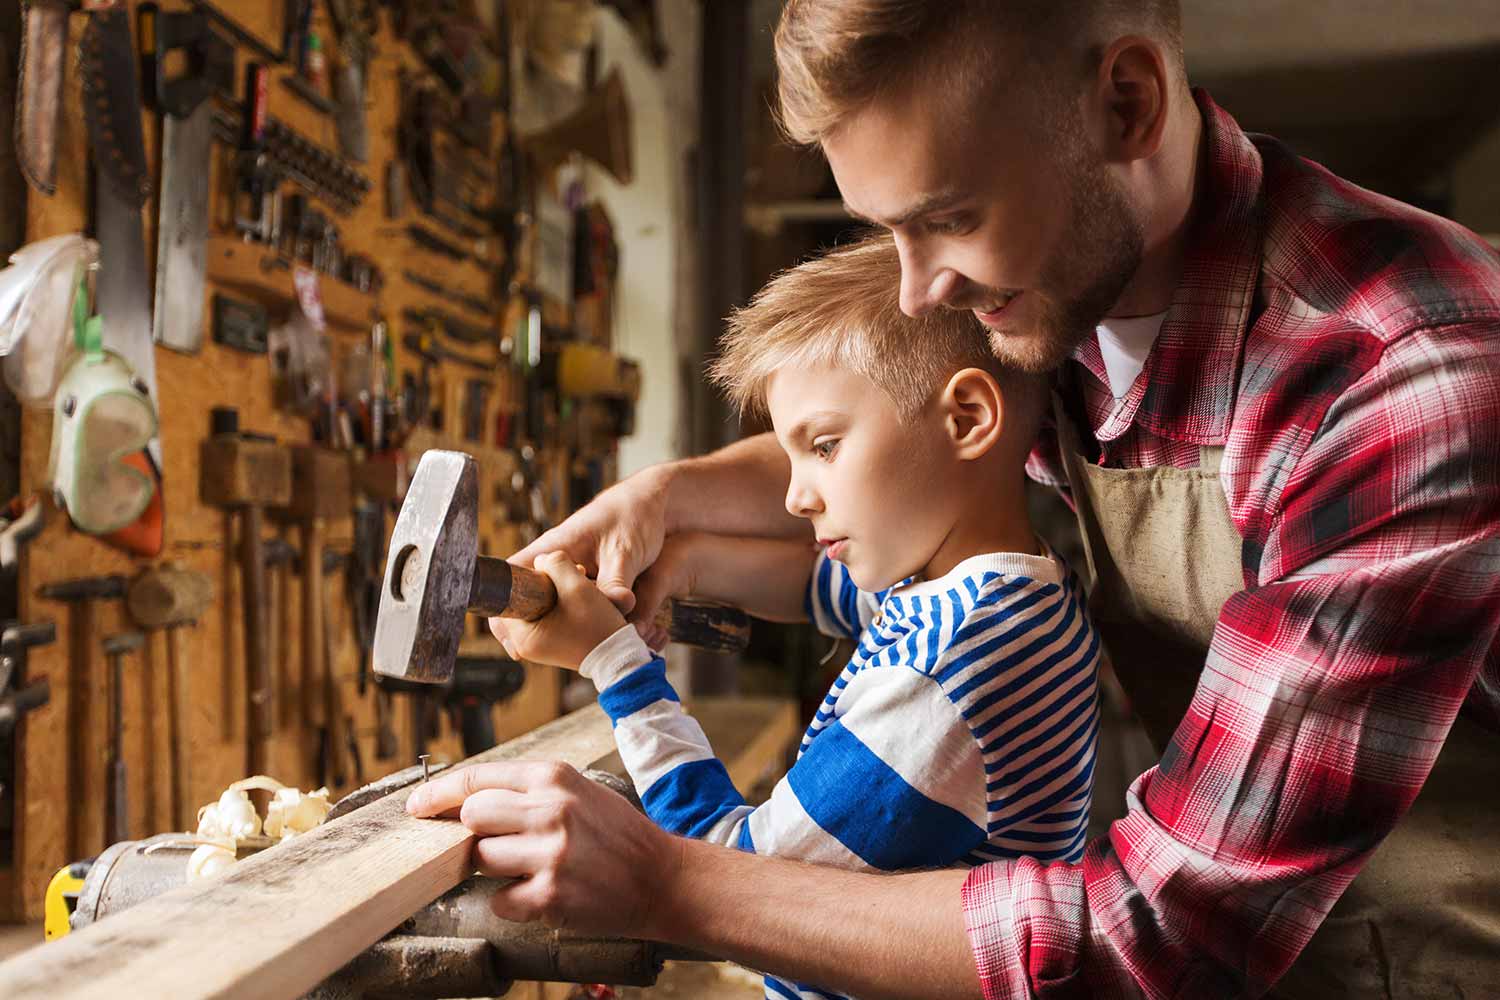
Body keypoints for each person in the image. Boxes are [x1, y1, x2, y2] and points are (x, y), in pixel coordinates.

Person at [409, 2, 1500, 997]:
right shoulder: (1064, 293)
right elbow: (910, 439)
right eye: (888, 228)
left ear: (1126, 104)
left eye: (949, 216)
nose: (918, 288)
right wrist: (667, 500)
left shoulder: (1392, 378)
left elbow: (1164, 933)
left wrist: (670, 884)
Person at [454, 233, 1102, 1000]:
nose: (796, 497)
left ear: (965, 418)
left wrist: (613, 664)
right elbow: (809, 582)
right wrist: (685, 560)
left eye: (823, 445)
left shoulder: (950, 669)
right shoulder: (995, 594)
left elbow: (732, 872)